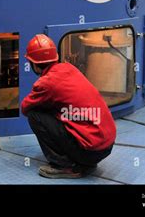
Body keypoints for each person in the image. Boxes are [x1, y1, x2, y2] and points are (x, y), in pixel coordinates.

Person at [22, 34, 116, 179]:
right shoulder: (68, 68)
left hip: (91, 151)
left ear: (34, 64)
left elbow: (25, 108)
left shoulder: (46, 83)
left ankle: (65, 166)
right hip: (106, 146)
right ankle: (83, 161)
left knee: (35, 115)